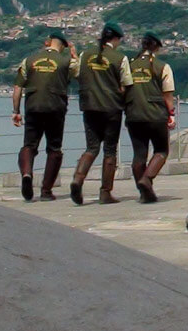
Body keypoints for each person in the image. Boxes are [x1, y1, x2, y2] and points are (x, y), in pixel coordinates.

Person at [70, 23, 130, 205]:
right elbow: (127, 84)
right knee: (110, 150)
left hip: (89, 107)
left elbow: (77, 74)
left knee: (91, 148)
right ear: (116, 39)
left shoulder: (85, 55)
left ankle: (78, 179)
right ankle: (105, 192)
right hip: (111, 108)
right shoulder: (120, 58)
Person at [10, 32, 73, 202]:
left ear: (47, 42)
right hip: (55, 108)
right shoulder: (66, 62)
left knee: (29, 145)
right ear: (63, 47)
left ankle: (27, 174)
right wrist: (74, 55)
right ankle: (46, 191)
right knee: (54, 148)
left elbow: (17, 89)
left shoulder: (29, 60)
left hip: (33, 106)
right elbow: (77, 72)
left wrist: (16, 111)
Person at [123, 33, 176, 203]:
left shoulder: (129, 65)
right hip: (156, 115)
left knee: (139, 154)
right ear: (157, 48)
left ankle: (144, 192)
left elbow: (122, 89)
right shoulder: (162, 67)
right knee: (161, 150)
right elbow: (168, 95)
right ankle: (147, 179)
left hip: (134, 115)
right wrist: (171, 114)